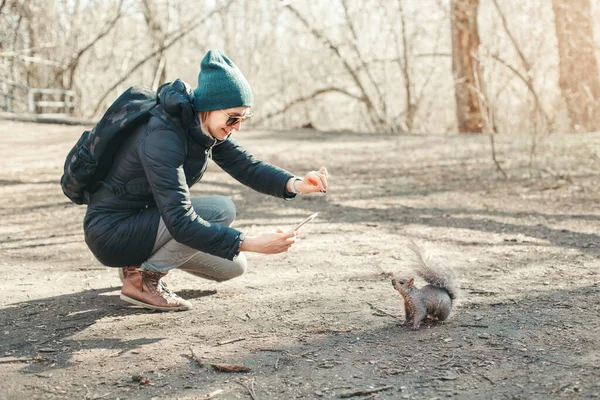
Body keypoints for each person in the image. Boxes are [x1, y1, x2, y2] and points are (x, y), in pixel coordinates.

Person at [83, 49, 328, 311]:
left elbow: (246, 166)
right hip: (112, 232)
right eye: (233, 118)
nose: (237, 127)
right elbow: (181, 221)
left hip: (144, 222)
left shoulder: (201, 127)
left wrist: (297, 183)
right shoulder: (162, 137)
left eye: (244, 118)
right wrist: (254, 243)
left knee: (233, 266)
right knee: (221, 210)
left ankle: (135, 264)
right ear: (209, 107)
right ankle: (144, 281)